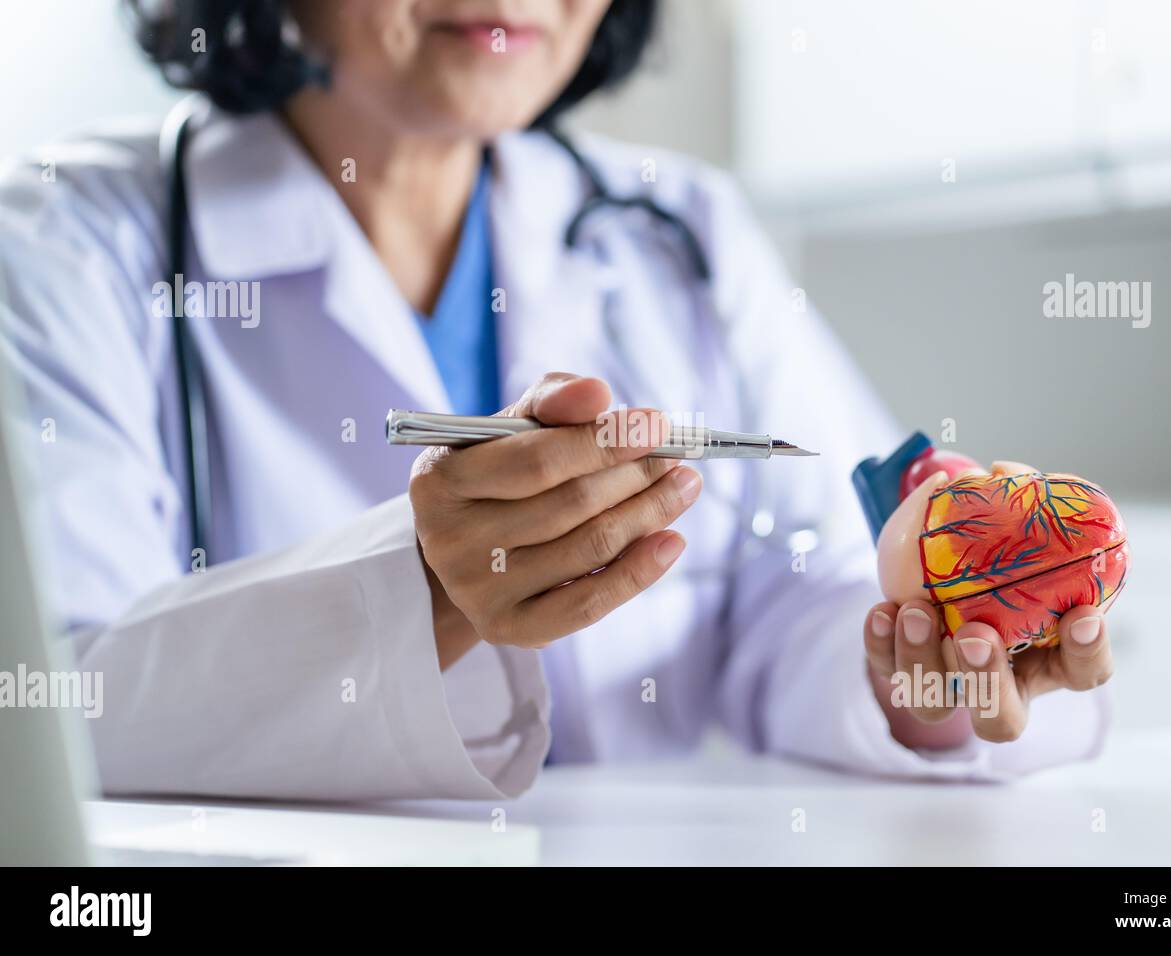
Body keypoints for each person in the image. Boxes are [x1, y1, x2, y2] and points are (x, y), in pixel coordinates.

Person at [0, 0, 1113, 801]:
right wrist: (421, 596)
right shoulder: (67, 244)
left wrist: (916, 676)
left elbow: (811, 593)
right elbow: (46, 706)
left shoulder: (679, 232)